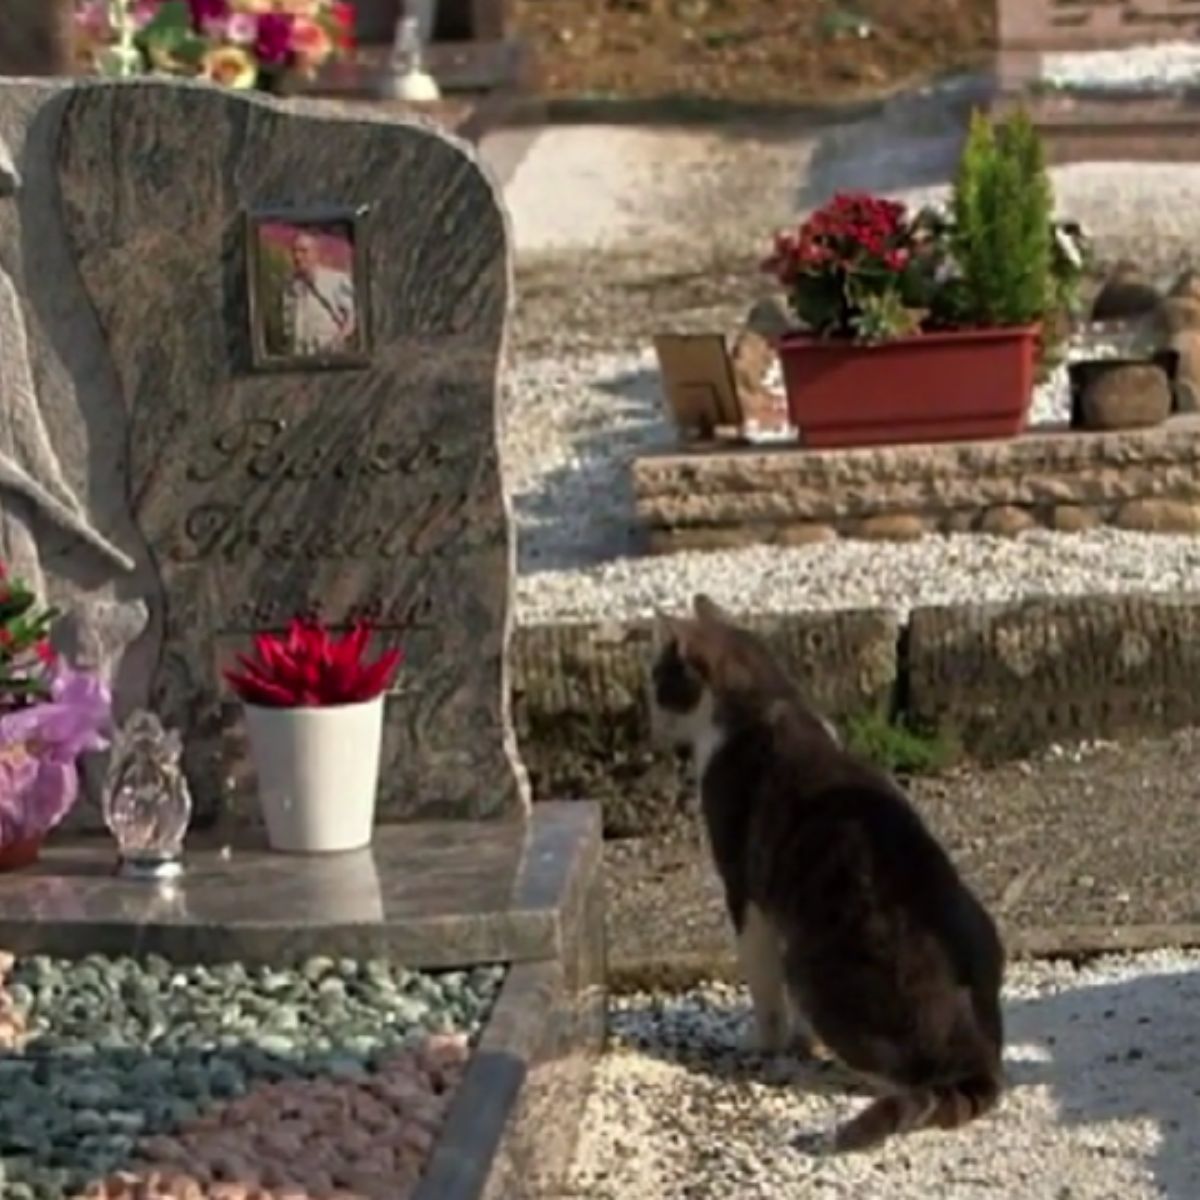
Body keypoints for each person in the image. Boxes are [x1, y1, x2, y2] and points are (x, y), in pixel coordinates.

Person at [280, 230, 357, 355]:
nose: (298, 257)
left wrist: (337, 342)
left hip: (329, 357)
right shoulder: (289, 287)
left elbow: (353, 319)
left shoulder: (337, 281)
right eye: (294, 251)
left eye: (304, 251)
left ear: (316, 253)